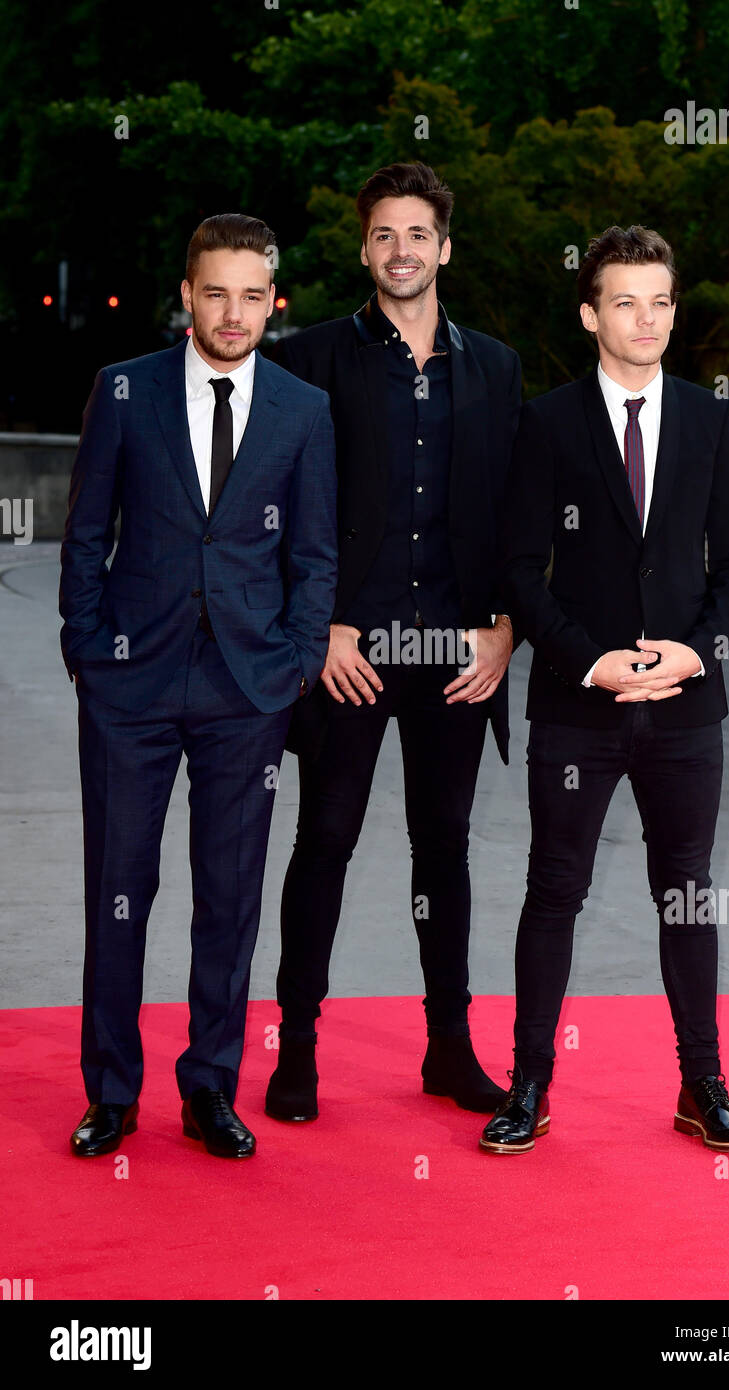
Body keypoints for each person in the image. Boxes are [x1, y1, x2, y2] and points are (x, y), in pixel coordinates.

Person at [481, 225, 729, 1155]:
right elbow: (520, 568)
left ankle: (703, 1086)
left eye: (661, 301)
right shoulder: (549, 420)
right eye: (626, 301)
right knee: (553, 889)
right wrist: (587, 662)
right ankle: (528, 1086)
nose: (647, 319)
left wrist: (696, 653)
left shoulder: (709, 419)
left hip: (687, 708)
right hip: (578, 700)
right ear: (590, 312)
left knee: (687, 893)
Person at [60, 213, 337, 1159]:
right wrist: (87, 648)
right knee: (119, 888)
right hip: (130, 682)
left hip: (248, 689)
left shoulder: (303, 410)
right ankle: (110, 1090)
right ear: (187, 293)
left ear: (274, 299)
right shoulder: (125, 390)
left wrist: (298, 658)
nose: (233, 312)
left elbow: (315, 552)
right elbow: (87, 530)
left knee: (230, 895)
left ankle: (210, 1086)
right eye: (214, 292)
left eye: (251, 295)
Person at [265, 162, 522, 1121]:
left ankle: (449, 1050)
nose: (401, 251)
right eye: (383, 235)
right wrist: (317, 622)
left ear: (444, 247)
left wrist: (505, 629)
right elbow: (280, 509)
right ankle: (297, 1050)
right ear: (364, 247)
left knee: (443, 848)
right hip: (351, 650)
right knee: (324, 840)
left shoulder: (494, 365)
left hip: (456, 651)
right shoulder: (312, 360)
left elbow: (512, 512)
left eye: (418, 235)